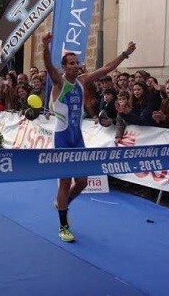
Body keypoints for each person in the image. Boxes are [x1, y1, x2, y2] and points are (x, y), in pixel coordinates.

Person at [42, 32, 136, 242]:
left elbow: (106, 69)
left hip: (77, 137)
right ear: (65, 67)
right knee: (65, 182)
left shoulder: (83, 81)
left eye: (77, 62)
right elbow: (48, 67)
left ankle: (62, 203)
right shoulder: (59, 82)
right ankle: (63, 225)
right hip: (62, 137)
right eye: (72, 63)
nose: (77, 65)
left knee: (83, 181)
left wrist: (124, 54)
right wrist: (44, 47)